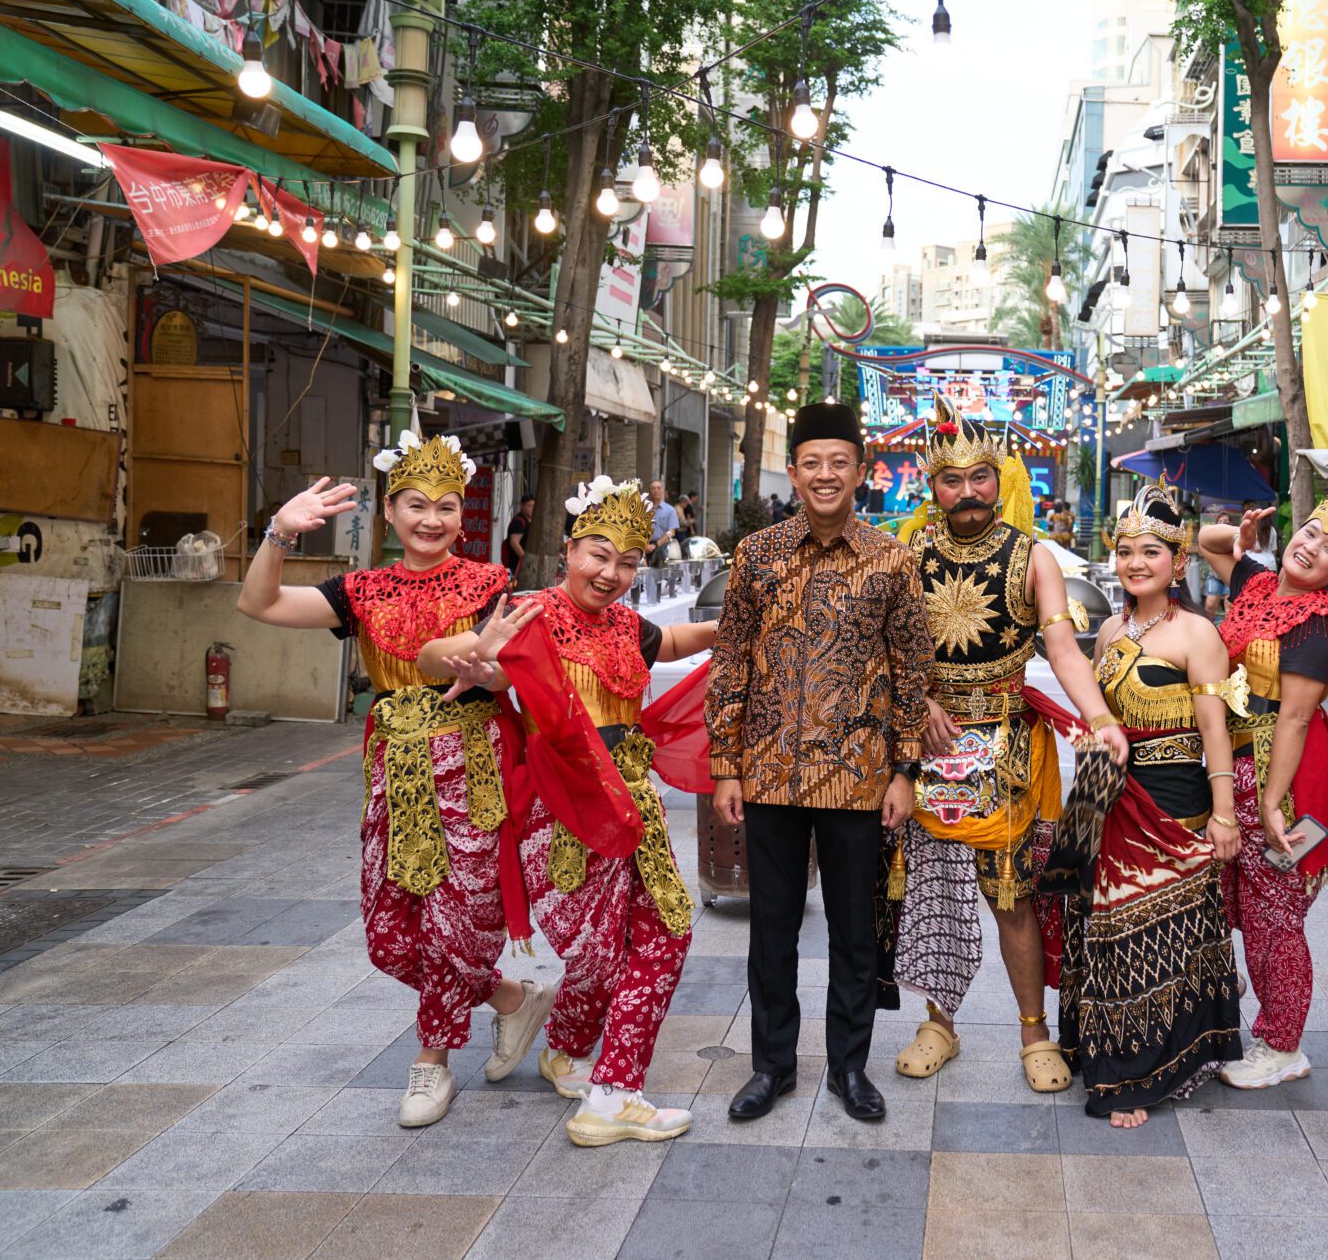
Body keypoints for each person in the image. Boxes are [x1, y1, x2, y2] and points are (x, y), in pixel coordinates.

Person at [235, 433, 550, 1128]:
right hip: (395, 773)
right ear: (389, 509)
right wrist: (280, 531)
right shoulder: (362, 590)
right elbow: (259, 604)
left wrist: (492, 672)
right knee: (390, 932)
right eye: (415, 504)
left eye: (445, 505)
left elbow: (516, 669)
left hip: (472, 767)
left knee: (451, 926)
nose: (431, 519)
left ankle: (430, 1065)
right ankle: (510, 999)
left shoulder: (489, 585)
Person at [424, 477, 718, 1145]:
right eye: (598, 553)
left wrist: (731, 626)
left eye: (627, 560)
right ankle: (589, 1063)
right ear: (568, 547)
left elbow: (667, 644)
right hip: (561, 809)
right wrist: (475, 655)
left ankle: (598, 1077)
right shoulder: (527, 614)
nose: (611, 572)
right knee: (594, 959)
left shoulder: (624, 623)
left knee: (667, 934)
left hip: (635, 801)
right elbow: (450, 660)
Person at [889, 403, 1128, 1095]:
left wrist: (1100, 715)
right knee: (933, 892)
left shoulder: (1034, 557)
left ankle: (1033, 1029)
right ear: (931, 487)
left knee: (1013, 897)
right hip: (927, 751)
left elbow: (1063, 650)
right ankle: (939, 1020)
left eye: (981, 476)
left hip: (1010, 752)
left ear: (1001, 478)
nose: (967, 492)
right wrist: (920, 703)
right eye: (952, 479)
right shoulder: (910, 554)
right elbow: (893, 653)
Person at [706, 403, 934, 1124]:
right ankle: (772, 1065)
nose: (826, 474)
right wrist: (725, 763)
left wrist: (904, 769)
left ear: (860, 471)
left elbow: (912, 669)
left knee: (853, 931)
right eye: (813, 462)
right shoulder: (757, 554)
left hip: (860, 775)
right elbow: (731, 657)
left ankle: (849, 1065)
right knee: (770, 926)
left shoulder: (891, 559)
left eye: (840, 461)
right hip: (770, 771)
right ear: (795, 472)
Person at [1052, 480, 1245, 1127]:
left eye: (1152, 552)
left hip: (1176, 801)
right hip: (1112, 798)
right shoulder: (1108, 630)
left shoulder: (1197, 634)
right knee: (1111, 933)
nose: (1136, 563)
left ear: (1178, 562)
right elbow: (1101, 714)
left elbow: (1215, 730)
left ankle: (1155, 1064)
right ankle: (1113, 1051)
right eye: (1127, 551)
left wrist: (1224, 815)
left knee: (1167, 935)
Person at [1197, 493, 1328, 1089]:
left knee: (1276, 916)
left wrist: (1272, 803)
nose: (1312, 548)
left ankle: (1282, 1043)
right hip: (1235, 764)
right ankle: (1230, 1008)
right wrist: (1245, 535)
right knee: (1225, 897)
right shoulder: (1260, 585)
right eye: (1310, 533)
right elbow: (1206, 543)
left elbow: (1294, 719)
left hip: (1290, 782)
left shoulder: (1319, 628)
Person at [1203, 509, 1236, 617]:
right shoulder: (1211, 535)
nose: (1223, 524)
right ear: (1216, 523)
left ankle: (1228, 631)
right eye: (1220, 521)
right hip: (1214, 574)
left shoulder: (1234, 536)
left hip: (1230, 575)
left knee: (1229, 604)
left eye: (1226, 522)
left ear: (1230, 524)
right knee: (1211, 603)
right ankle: (1209, 627)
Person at [648, 482, 681, 566]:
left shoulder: (670, 510)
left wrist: (655, 545)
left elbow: (671, 532)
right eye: (653, 488)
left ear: (662, 490)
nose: (656, 490)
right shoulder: (641, 509)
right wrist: (644, 546)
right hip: (643, 548)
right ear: (649, 491)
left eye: (658, 488)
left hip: (662, 548)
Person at [504, 494, 536, 573]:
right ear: (522, 506)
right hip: (517, 565)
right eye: (529, 506)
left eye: (533, 506)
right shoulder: (519, 522)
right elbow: (514, 542)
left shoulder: (530, 521)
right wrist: (526, 560)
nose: (532, 509)